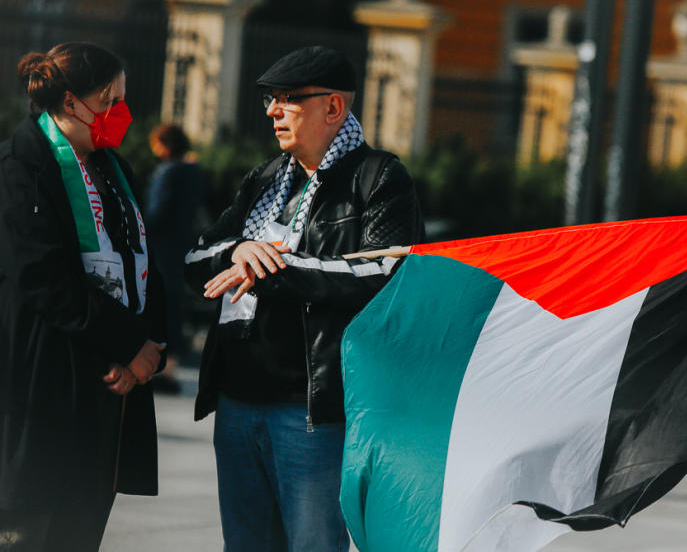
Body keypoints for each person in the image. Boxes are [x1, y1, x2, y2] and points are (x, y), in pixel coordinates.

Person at [184, 45, 423, 551]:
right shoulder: (267, 178)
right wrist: (243, 251)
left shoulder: (376, 177)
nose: (272, 110)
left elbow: (384, 274)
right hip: (237, 403)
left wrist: (274, 270)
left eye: (288, 99)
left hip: (311, 414)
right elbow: (196, 258)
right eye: (271, 99)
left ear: (333, 107)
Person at [0, 42, 166, 551]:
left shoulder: (113, 168)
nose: (122, 113)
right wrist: (127, 343)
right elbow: (42, 277)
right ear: (71, 103)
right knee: (30, 533)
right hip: (45, 384)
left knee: (78, 533)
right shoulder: (21, 164)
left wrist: (149, 354)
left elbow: (144, 262)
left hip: (108, 388)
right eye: (110, 100)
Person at [146, 123, 206, 394]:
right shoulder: (194, 172)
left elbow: (157, 212)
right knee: (174, 307)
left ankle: (161, 369)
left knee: (159, 305)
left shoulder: (168, 172)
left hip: (161, 248)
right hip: (182, 246)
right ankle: (170, 367)